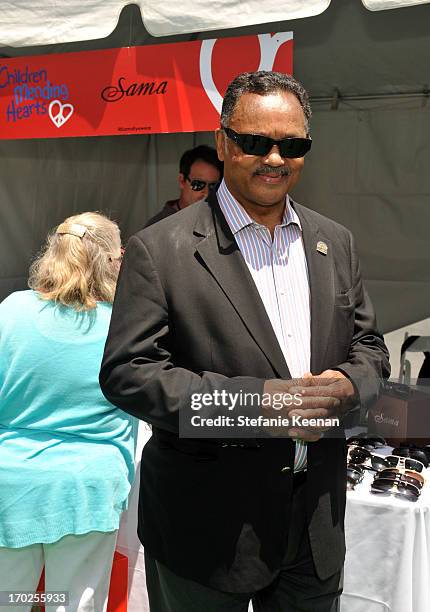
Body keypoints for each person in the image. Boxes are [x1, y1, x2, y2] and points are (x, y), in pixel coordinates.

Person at [100, 71, 390, 611]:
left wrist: (349, 384)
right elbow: (129, 374)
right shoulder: (159, 250)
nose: (274, 158)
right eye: (255, 142)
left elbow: (371, 347)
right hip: (206, 534)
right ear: (223, 142)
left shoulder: (336, 242)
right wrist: (258, 406)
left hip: (313, 530)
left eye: (292, 145)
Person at [0, 212, 136, 612]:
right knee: (75, 603)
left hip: (10, 482)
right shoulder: (123, 325)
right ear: (115, 260)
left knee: (9, 600)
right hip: (87, 487)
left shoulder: (11, 311)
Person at [144, 144, 223, 226]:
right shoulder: (156, 227)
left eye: (213, 186)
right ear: (182, 181)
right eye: (198, 184)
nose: (206, 193)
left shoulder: (220, 222)